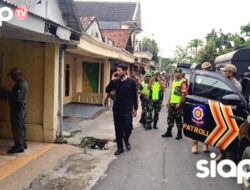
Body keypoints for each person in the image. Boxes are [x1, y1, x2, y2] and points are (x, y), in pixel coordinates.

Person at [105, 64, 138, 156]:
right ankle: (120, 148)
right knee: (118, 128)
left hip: (127, 109)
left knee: (129, 127)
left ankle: (126, 139)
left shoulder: (132, 82)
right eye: (117, 70)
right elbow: (107, 90)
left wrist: (135, 109)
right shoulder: (115, 82)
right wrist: (112, 80)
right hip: (117, 109)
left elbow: (135, 96)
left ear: (125, 71)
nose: (117, 72)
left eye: (119, 70)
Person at [216, 63, 242, 161]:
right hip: (222, 109)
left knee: (226, 133)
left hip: (231, 112)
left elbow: (236, 101)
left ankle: (224, 154)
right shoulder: (225, 81)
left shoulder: (236, 86)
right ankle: (222, 153)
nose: (223, 72)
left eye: (225, 71)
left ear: (230, 73)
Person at [0, 68, 28, 153]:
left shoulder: (21, 84)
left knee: (17, 127)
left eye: (12, 76)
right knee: (21, 126)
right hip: (20, 108)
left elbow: (17, 98)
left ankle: (19, 146)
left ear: (17, 75)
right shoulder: (22, 83)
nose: (11, 78)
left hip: (17, 109)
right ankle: (23, 143)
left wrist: (6, 93)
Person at [192, 62, 212, 154]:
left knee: (207, 125)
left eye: (209, 68)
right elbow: (195, 90)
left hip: (209, 104)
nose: (208, 70)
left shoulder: (212, 78)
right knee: (197, 124)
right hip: (198, 103)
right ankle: (195, 144)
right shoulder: (198, 78)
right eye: (206, 68)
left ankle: (205, 144)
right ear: (202, 69)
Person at [162, 68, 187, 140]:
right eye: (175, 72)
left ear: (181, 73)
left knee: (178, 118)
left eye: (178, 72)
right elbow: (171, 92)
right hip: (172, 102)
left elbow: (183, 94)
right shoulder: (174, 81)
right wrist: (168, 101)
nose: (176, 74)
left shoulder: (183, 82)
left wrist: (179, 103)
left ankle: (179, 133)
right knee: (170, 117)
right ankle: (169, 132)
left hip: (178, 103)